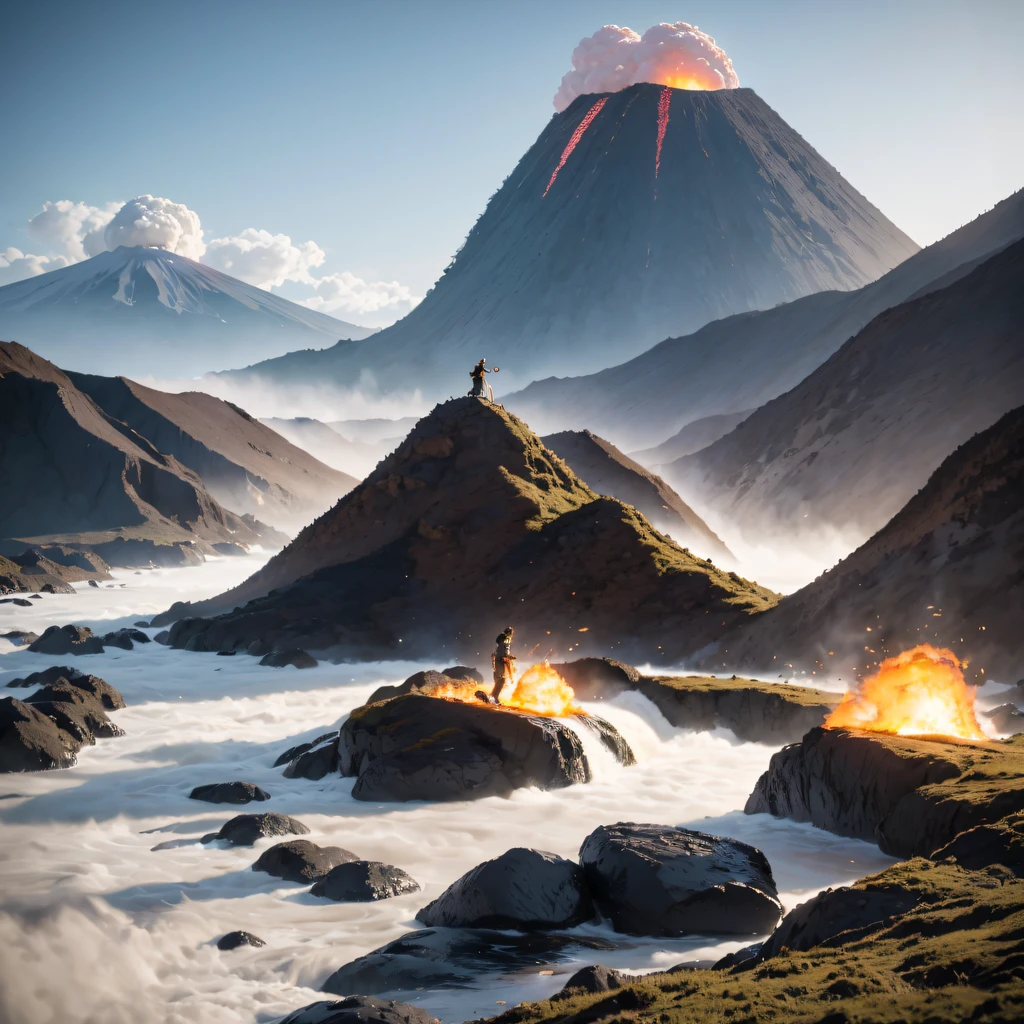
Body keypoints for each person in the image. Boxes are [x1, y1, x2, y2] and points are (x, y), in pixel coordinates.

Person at [491, 625, 516, 702]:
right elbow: (503, 655)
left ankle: (494, 696)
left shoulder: (504, 643)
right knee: (501, 680)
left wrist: (509, 657)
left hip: (499, 661)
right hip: (500, 662)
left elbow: (503, 653)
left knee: (501, 680)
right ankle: (494, 697)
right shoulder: (504, 642)